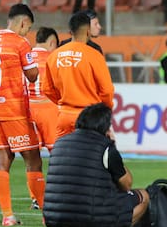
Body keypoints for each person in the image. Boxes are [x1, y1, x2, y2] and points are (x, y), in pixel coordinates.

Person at [44, 104, 149, 227]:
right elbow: (126, 184)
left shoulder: (60, 143)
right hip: (90, 215)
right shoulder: (105, 147)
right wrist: (113, 146)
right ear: (105, 126)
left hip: (55, 215)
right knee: (143, 196)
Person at [0, 4, 44, 226]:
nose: (27, 32)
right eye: (28, 28)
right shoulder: (20, 43)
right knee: (33, 159)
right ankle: (46, 214)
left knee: (4, 159)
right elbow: (32, 76)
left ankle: (8, 216)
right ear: (23, 23)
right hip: (14, 110)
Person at [42, 11, 114, 139]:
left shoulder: (54, 55)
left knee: (63, 156)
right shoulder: (94, 55)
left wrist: (63, 102)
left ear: (71, 31)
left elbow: (47, 89)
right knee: (88, 156)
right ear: (87, 31)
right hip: (88, 117)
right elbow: (107, 90)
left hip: (64, 116)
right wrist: (104, 110)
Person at [28, 27, 59, 156]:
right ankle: (56, 177)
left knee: (32, 158)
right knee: (57, 153)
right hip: (48, 108)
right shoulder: (53, 58)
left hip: (27, 109)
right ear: (52, 43)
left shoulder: (25, 56)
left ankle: (35, 177)